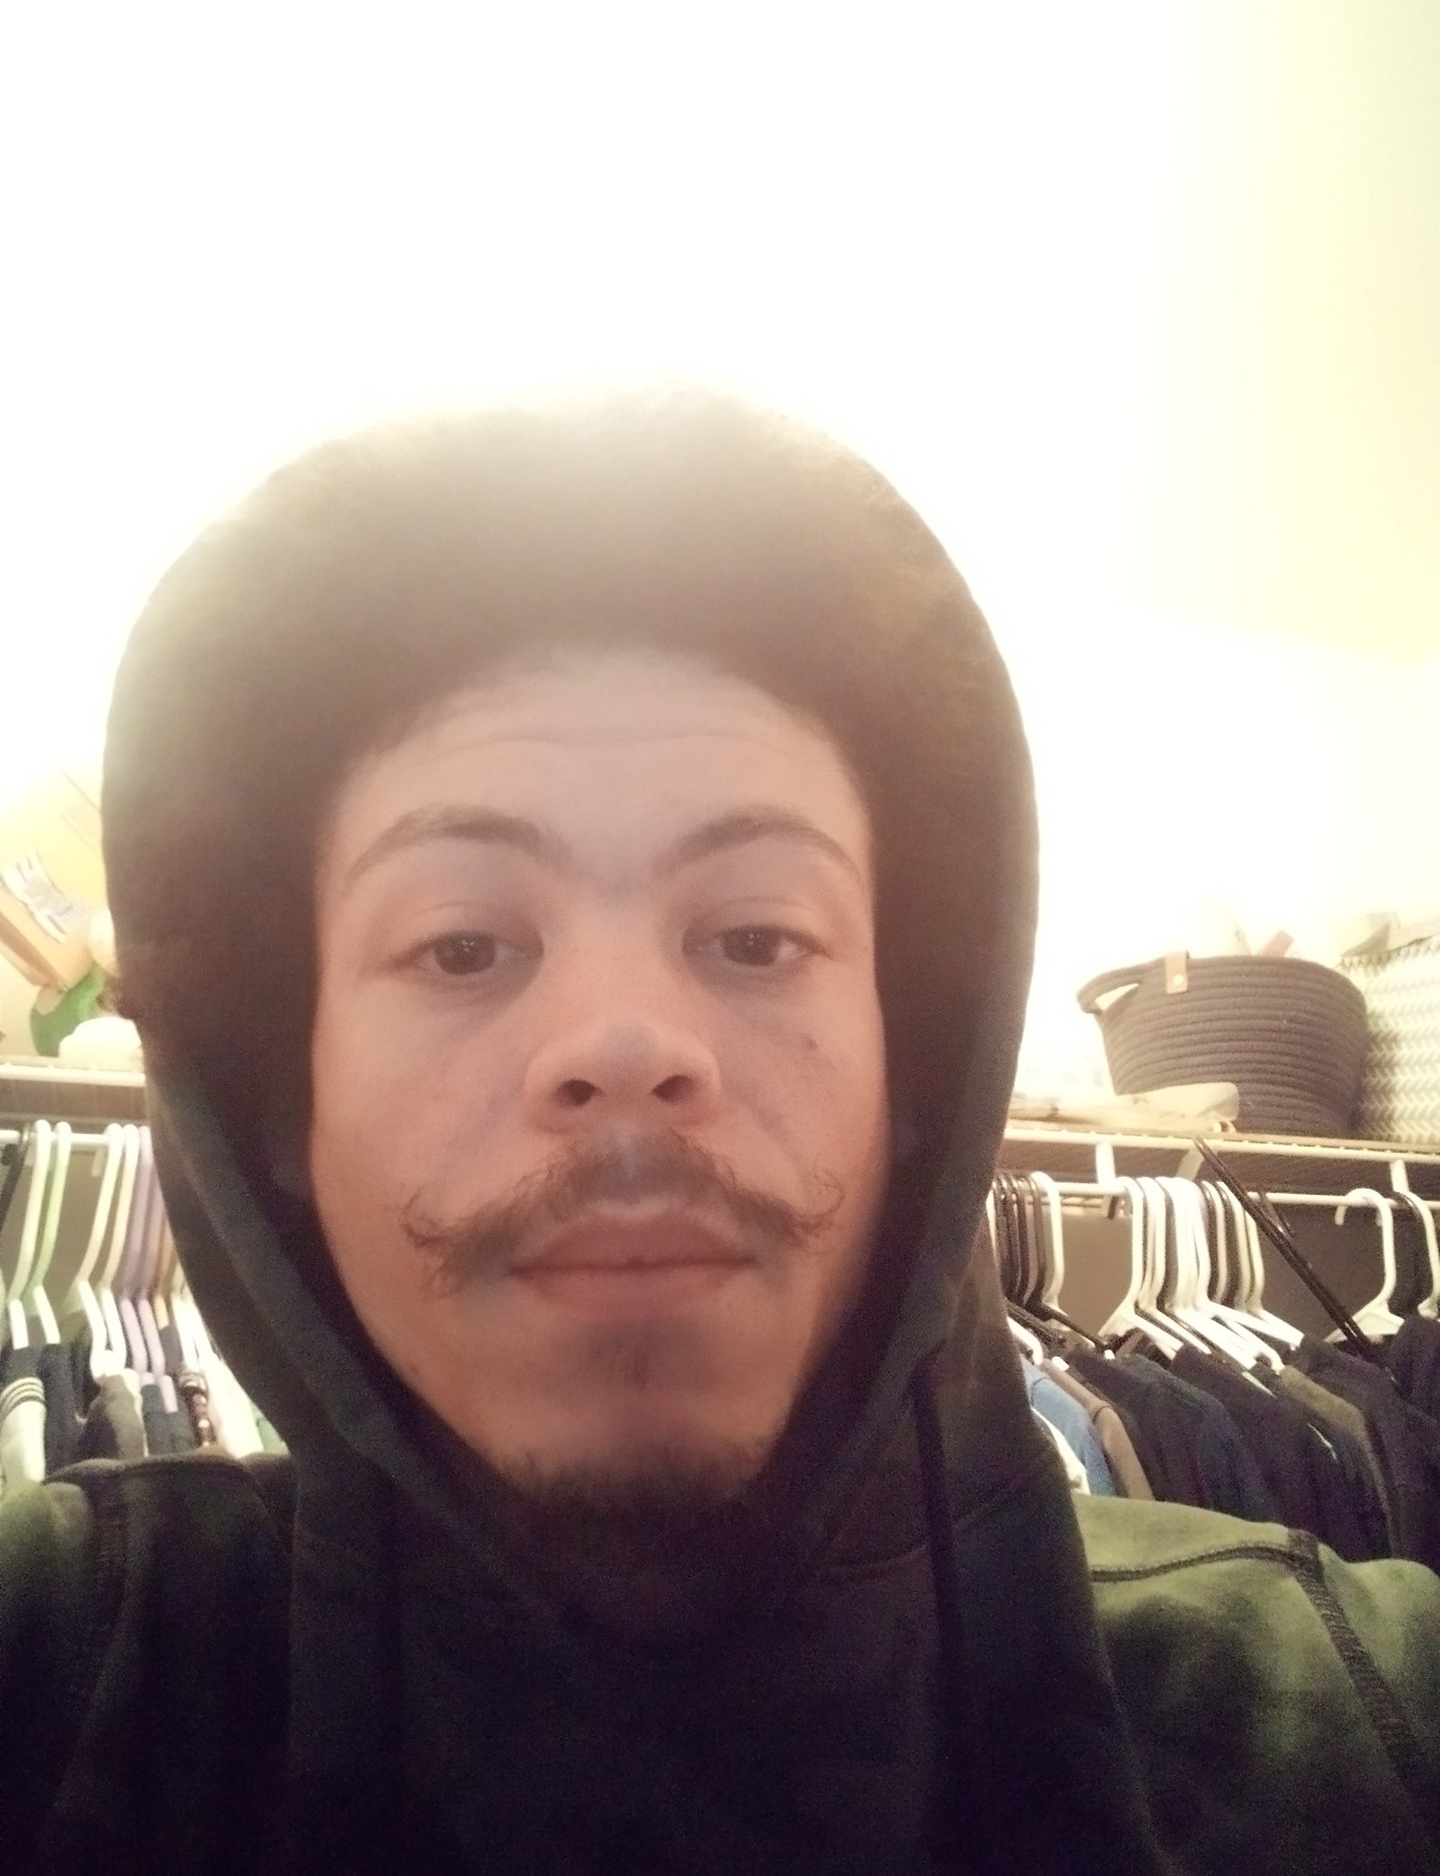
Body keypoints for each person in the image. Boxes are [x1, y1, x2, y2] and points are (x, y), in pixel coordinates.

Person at [2, 394, 1439, 1875]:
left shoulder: (1356, 1724)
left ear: (913, 1090)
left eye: (757, 938)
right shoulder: (64, 1666)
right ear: (280, 1112)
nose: (626, 1045)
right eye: (461, 947)